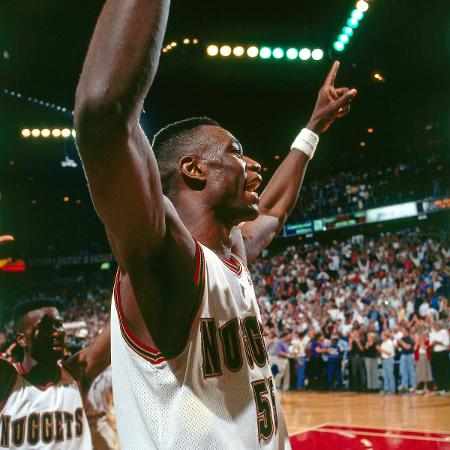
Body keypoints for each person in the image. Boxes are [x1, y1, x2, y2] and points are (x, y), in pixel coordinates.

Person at [74, 0, 356, 447]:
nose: (254, 164)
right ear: (194, 169)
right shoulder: (166, 258)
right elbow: (103, 114)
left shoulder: (231, 254)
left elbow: (276, 211)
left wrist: (314, 126)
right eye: (236, 152)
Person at [0, 299, 110, 449]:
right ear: (21, 339)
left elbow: (119, 331)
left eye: (58, 325)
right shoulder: (7, 378)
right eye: (45, 327)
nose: (57, 332)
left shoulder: (75, 372)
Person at [429, 321, 449, 394]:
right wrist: (433, 344)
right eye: (434, 325)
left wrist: (438, 342)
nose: (436, 326)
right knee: (437, 371)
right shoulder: (432, 334)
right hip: (435, 353)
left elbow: (447, 344)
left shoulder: (444, 332)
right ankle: (440, 387)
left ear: (439, 326)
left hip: (443, 353)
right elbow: (430, 345)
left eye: (437, 325)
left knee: (445, 371)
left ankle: (446, 388)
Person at [398, 327, 416, 393]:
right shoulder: (402, 339)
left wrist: (401, 342)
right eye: (402, 331)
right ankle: (404, 387)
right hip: (403, 355)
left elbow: (408, 347)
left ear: (408, 332)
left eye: (404, 331)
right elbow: (398, 347)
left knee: (411, 371)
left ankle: (413, 386)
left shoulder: (410, 339)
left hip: (410, 355)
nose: (403, 333)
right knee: (403, 372)